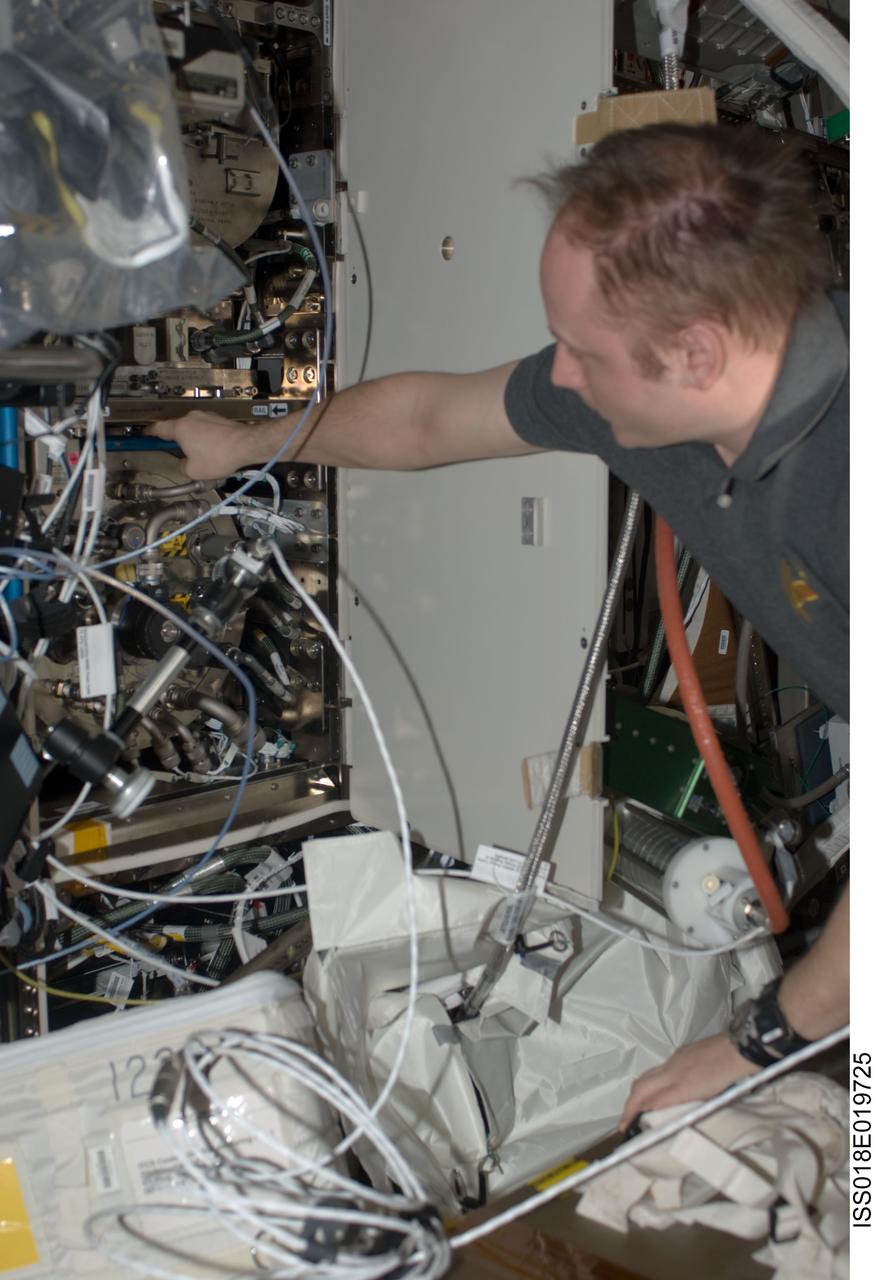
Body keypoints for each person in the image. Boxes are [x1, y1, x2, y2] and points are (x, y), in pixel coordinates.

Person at [147, 122, 849, 1127]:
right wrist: (244, 445)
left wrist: (758, 1042)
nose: (558, 374)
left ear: (693, 350)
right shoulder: (653, 388)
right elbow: (429, 420)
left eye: (581, 351)